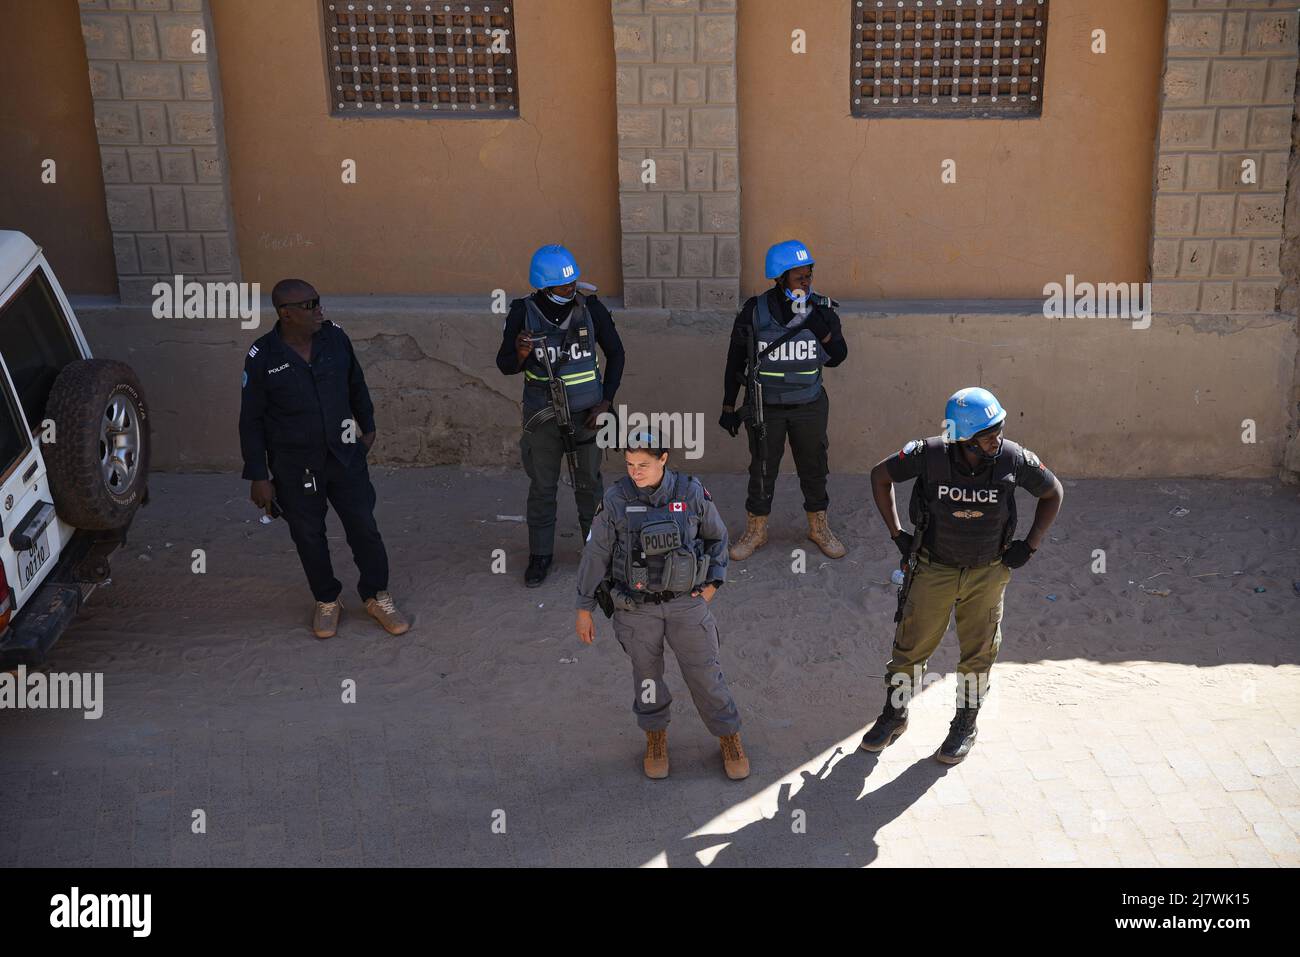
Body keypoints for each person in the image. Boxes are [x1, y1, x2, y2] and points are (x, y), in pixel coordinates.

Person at [861, 387, 1063, 763]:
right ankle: (895, 714)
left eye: (999, 430)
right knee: (909, 650)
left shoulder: (1014, 459)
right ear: (963, 439)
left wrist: (1030, 545)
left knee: (978, 654)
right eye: (988, 435)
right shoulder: (928, 455)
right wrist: (898, 535)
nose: (997, 440)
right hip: (933, 569)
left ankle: (965, 725)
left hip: (988, 573)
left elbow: (1053, 493)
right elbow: (879, 476)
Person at [239, 279, 410, 639]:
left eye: (318, 302)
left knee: (364, 527)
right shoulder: (262, 356)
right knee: (308, 535)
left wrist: (370, 429)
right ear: (286, 314)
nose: (319, 310)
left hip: (346, 456)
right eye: (309, 305)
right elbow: (251, 420)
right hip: (294, 465)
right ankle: (327, 600)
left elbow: (356, 385)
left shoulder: (335, 339)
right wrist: (259, 475)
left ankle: (377, 595)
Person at [575, 433, 748, 781]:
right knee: (647, 677)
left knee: (705, 674)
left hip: (687, 604)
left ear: (664, 458)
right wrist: (584, 607)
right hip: (636, 609)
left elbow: (717, 537)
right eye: (629, 464)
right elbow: (595, 555)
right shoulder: (616, 499)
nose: (635, 472)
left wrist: (714, 583)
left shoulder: (690, 492)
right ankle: (655, 738)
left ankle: (729, 737)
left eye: (643, 464)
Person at [496, 244, 625, 587]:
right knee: (542, 486)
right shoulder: (522, 312)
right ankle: (540, 556)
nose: (571, 290)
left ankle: (596, 551)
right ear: (543, 286)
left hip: (588, 415)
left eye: (573, 284)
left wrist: (605, 404)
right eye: (563, 287)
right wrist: (521, 354)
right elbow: (505, 365)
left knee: (590, 484)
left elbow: (616, 354)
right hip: (543, 415)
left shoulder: (591, 309)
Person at [719, 239, 849, 562]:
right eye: (799, 278)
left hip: (809, 404)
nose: (806, 283)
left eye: (808, 276)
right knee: (762, 468)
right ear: (780, 279)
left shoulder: (821, 309)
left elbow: (838, 356)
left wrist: (821, 329)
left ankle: (818, 527)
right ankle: (756, 530)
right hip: (768, 407)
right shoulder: (755, 311)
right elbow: (736, 359)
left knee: (814, 466)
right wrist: (727, 404)